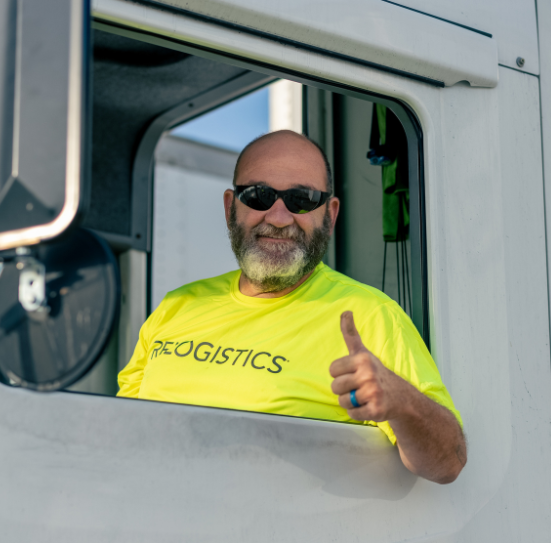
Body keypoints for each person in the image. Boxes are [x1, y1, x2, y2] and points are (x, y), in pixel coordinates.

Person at [117, 130, 466, 484]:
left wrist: (402, 401)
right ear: (229, 207)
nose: (279, 217)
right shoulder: (177, 306)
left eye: (301, 198)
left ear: (329, 215)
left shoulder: (371, 316)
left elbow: (448, 462)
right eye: (258, 195)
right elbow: (121, 432)